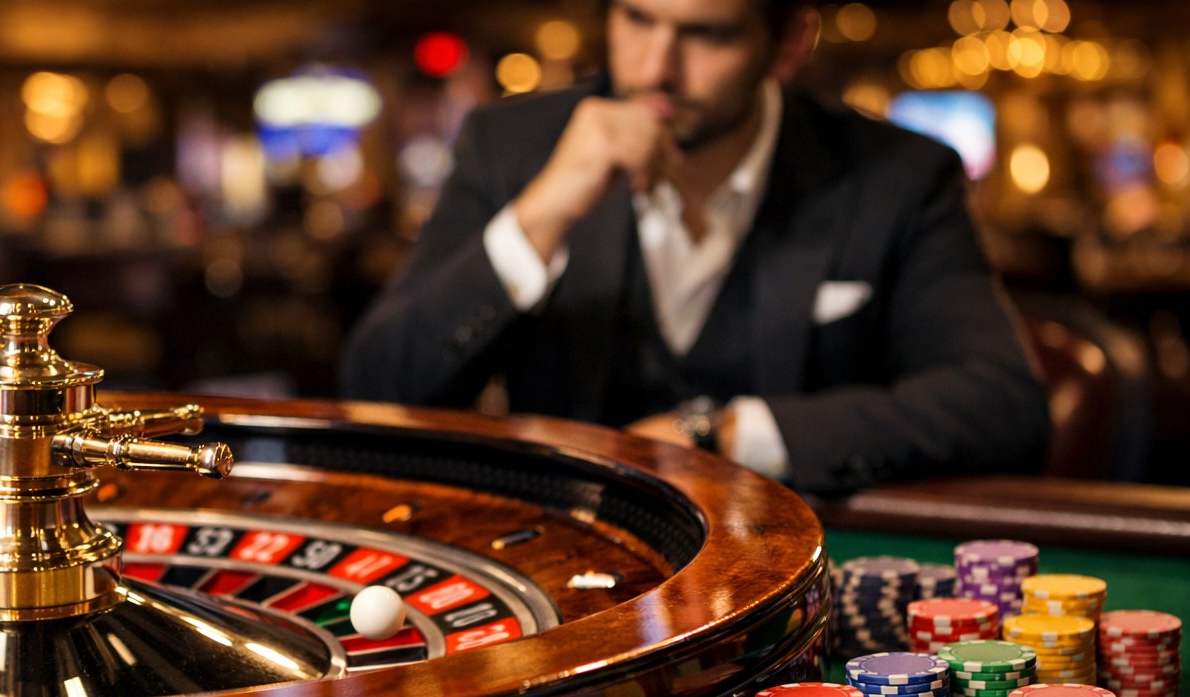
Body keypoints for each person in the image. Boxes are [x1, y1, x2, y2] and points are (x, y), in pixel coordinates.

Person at [338, 0, 1051, 494]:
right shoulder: (512, 149)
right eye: (637, 19)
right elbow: (376, 389)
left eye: (706, 34)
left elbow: (1003, 406)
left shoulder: (896, 177)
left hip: (793, 585)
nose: (656, 67)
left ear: (791, 42)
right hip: (577, 574)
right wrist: (542, 213)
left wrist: (727, 435)